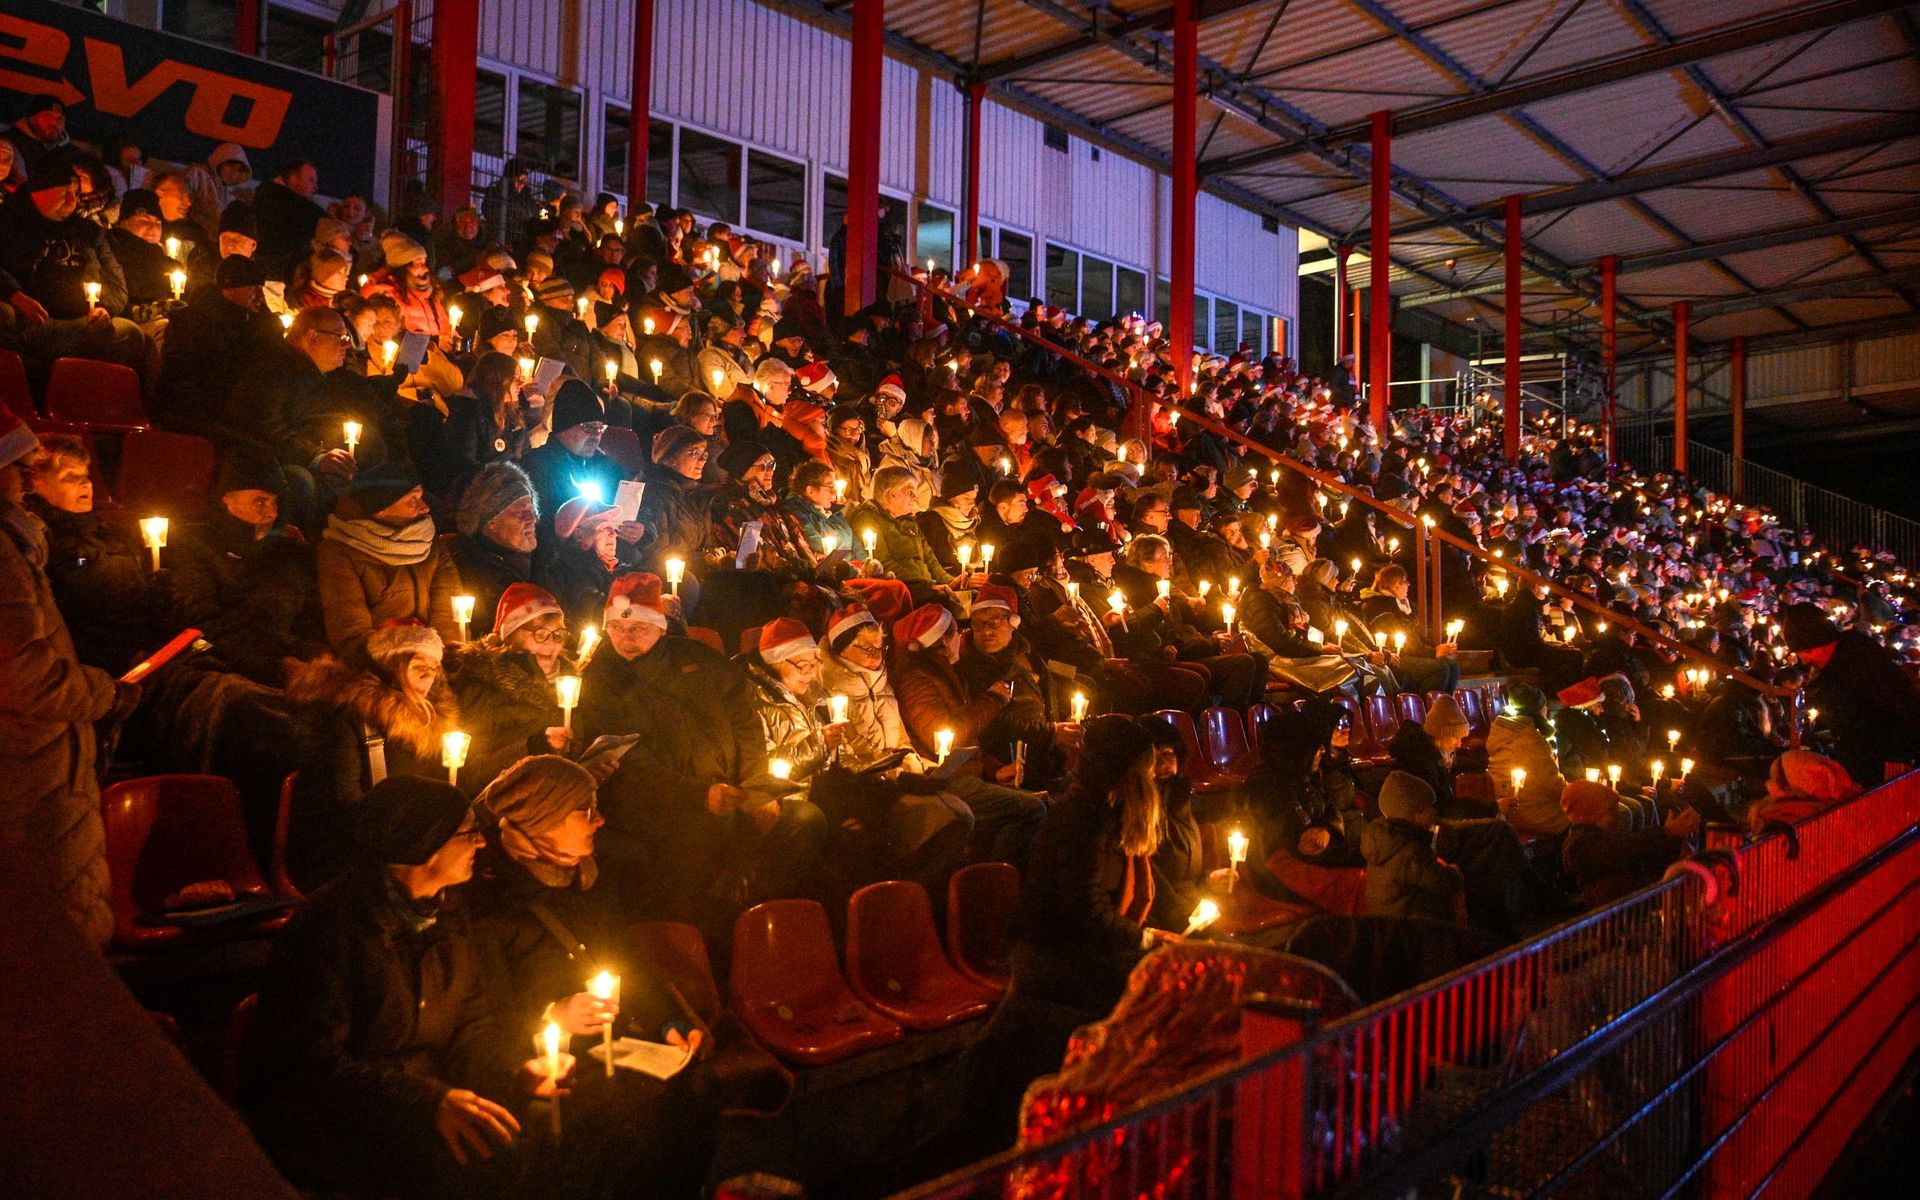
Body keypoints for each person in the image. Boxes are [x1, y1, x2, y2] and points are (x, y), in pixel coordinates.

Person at [248, 776, 562, 1199]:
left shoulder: (448, 915)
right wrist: (426, 1105)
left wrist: (514, 1075)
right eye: (468, 833)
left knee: (553, 1131)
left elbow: (472, 1026)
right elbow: (310, 1064)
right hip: (345, 1126)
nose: (482, 844)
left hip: (425, 1103)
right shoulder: (329, 930)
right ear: (424, 845)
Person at [465, 756, 719, 1200]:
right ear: (543, 818)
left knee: (693, 1093)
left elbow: (626, 959)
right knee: (613, 1129)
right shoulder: (484, 895)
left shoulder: (587, 875)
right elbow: (479, 1008)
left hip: (611, 1042)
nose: (600, 821)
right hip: (537, 1059)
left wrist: (670, 1023)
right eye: (585, 811)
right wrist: (553, 1015)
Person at [965, 715, 1169, 1146]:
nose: (1156, 775)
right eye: (1148, 767)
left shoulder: (1111, 812)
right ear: (1128, 771)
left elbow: (1146, 891)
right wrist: (1145, 939)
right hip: (1055, 955)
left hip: (1083, 948)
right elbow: (1083, 909)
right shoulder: (1083, 819)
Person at [582, 575, 827, 929]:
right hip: (668, 810)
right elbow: (630, 763)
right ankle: (715, 937)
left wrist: (758, 788)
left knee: (805, 820)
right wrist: (699, 796)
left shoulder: (697, 659)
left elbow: (744, 721)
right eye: (618, 627)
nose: (628, 637)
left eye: (638, 626)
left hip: (731, 792)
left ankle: (766, 921)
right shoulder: (600, 682)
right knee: (697, 850)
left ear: (660, 627)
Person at [0, 410, 135, 948]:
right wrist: (106, 692)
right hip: (30, 761)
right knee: (55, 938)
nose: (22, 477)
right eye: (18, 465)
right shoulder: (7, 553)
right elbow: (28, 676)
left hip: (41, 757)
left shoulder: (19, 546)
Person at [284, 621, 463, 891]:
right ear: (393, 668)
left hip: (409, 837)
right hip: (355, 847)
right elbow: (345, 797)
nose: (427, 677)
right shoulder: (356, 717)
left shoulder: (435, 722)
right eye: (417, 667)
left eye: (433, 669)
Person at [316, 463, 464, 650]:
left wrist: (447, 657)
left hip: (432, 659)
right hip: (378, 662)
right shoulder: (340, 551)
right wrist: (398, 664)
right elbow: (350, 628)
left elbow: (447, 613)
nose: (425, 507)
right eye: (413, 500)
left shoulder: (430, 545)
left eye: (422, 497)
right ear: (381, 508)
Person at [1777, 602, 1920, 788]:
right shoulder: (1849, 655)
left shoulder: (1857, 665)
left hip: (1887, 760)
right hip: (1870, 756)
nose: (1804, 661)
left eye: (1803, 653)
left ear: (1815, 644)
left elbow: (1890, 708)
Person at [449, 585, 575, 788]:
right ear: (512, 635)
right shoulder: (484, 685)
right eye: (540, 633)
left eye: (559, 634)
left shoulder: (569, 682)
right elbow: (473, 772)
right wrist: (534, 745)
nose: (551, 643)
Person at [1558, 779, 1699, 909]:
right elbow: (1626, 849)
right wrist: (1666, 833)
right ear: (1592, 812)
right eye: (1610, 811)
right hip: (1612, 919)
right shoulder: (1579, 847)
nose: (1616, 816)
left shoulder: (1602, 837)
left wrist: (1673, 838)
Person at [1360, 772, 1464, 924]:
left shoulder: (1387, 840)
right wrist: (1455, 872)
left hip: (1386, 922)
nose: (1435, 812)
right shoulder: (1409, 851)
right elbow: (1442, 882)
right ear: (1414, 814)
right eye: (1430, 807)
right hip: (1411, 927)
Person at [451, 464, 540, 629]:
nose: (532, 519)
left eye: (531, 510)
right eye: (521, 513)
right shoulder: (470, 572)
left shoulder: (543, 561)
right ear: (491, 522)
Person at [1485, 683, 1570, 838]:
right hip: (1533, 812)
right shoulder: (1531, 740)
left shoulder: (1503, 732)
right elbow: (1554, 785)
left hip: (1517, 808)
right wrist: (1580, 789)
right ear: (1540, 710)